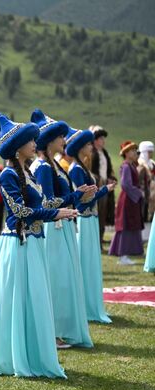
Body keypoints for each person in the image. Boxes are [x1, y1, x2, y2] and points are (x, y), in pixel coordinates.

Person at [0, 114, 76, 378]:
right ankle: (14, 357)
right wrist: (54, 214)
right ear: (17, 147)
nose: (35, 142)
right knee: (20, 299)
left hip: (33, 242)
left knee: (34, 298)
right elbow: (20, 211)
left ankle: (32, 351)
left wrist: (71, 199)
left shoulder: (27, 172)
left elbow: (41, 206)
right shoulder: (8, 176)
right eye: (29, 140)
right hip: (18, 243)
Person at [29, 109, 96, 349]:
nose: (63, 139)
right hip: (54, 229)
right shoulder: (45, 168)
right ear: (48, 141)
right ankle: (54, 331)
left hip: (62, 226)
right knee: (57, 281)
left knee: (63, 280)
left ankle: (59, 330)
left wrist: (79, 196)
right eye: (58, 136)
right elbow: (46, 203)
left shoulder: (53, 166)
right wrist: (75, 194)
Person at [67, 127, 116, 323]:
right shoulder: (77, 169)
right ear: (80, 148)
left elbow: (88, 195)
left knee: (91, 262)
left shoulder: (82, 167)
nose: (91, 147)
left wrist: (101, 191)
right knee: (86, 263)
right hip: (85, 219)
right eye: (88, 144)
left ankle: (92, 305)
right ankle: (87, 307)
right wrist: (103, 190)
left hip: (91, 218)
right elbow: (81, 200)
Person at [109, 141, 144, 264]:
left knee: (131, 225)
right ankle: (122, 255)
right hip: (127, 200)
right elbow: (125, 184)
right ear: (126, 153)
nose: (136, 153)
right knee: (124, 225)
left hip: (131, 200)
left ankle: (127, 253)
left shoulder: (132, 165)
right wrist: (139, 193)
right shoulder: (126, 166)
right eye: (133, 150)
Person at [89, 125, 116, 251]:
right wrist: (99, 179)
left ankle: (100, 241)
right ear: (95, 140)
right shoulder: (91, 154)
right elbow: (89, 171)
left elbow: (108, 170)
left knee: (103, 215)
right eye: (101, 138)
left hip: (105, 188)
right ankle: (95, 243)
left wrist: (110, 178)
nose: (103, 141)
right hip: (96, 188)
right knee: (97, 214)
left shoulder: (104, 153)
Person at [137, 141, 154, 224]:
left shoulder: (152, 163)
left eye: (152, 152)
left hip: (153, 194)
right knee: (142, 214)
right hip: (143, 193)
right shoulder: (139, 164)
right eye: (149, 152)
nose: (151, 154)